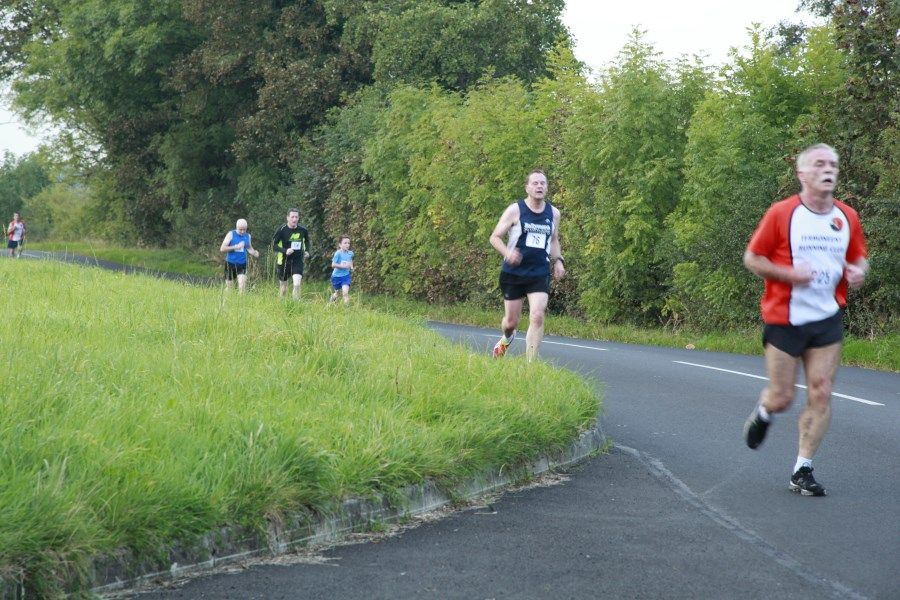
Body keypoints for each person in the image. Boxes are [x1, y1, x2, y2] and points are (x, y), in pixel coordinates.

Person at [742, 143, 868, 497]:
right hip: (785, 317)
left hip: (827, 316)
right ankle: (765, 411)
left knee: (822, 391)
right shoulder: (782, 213)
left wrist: (858, 271)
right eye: (819, 164)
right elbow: (752, 258)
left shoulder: (847, 217)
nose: (828, 170)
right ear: (802, 174)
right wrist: (789, 275)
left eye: (833, 165)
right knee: (782, 396)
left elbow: (859, 257)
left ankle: (803, 469)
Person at [489, 169, 565, 362]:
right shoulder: (515, 210)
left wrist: (558, 260)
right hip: (514, 273)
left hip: (539, 272)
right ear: (527, 188)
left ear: (547, 187)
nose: (539, 186)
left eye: (543, 183)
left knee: (537, 315)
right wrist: (508, 253)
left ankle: (530, 365)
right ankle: (507, 339)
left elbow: (554, 239)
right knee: (511, 323)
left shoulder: (553, 213)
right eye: (535, 183)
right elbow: (495, 237)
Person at [272, 208, 311, 299]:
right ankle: (281, 304)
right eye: (292, 217)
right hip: (284, 261)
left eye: (296, 217)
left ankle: (295, 304)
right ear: (287, 218)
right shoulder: (281, 230)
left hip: (297, 260)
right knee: (283, 288)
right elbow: (274, 245)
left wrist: (307, 251)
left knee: (297, 284)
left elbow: (307, 241)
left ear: (298, 218)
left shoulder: (303, 230)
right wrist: (285, 251)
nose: (294, 219)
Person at [220, 218, 260, 293]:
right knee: (229, 289)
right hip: (230, 264)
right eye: (240, 229)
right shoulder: (231, 234)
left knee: (242, 288)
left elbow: (249, 247)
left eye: (244, 229)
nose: (242, 231)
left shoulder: (248, 236)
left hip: (242, 264)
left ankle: (241, 299)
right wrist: (235, 247)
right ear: (236, 227)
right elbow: (222, 248)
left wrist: (255, 253)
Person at [329, 235, 354, 304]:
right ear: (340, 245)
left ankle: (347, 308)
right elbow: (333, 265)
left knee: (345, 293)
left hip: (345, 276)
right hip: (336, 276)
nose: (347, 245)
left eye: (348, 243)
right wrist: (343, 266)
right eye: (345, 243)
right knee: (337, 293)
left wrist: (351, 267)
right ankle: (331, 302)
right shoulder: (338, 253)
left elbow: (350, 260)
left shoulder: (350, 253)